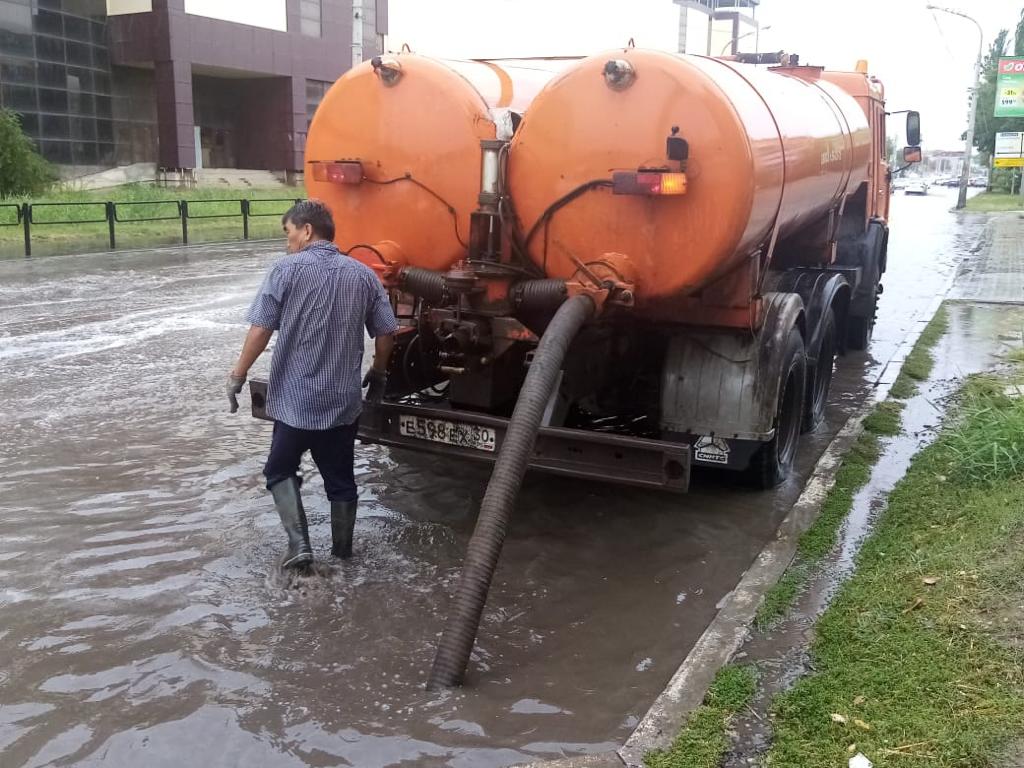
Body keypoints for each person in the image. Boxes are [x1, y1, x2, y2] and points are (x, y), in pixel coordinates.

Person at [227, 200, 398, 570]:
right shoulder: (363, 275)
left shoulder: (285, 270)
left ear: (306, 231)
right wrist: (379, 371)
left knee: (278, 470)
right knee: (341, 480)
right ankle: (343, 556)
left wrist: (238, 374)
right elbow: (387, 331)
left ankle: (300, 546)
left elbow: (261, 329)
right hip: (341, 402)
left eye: (289, 234)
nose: (287, 243)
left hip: (294, 402)